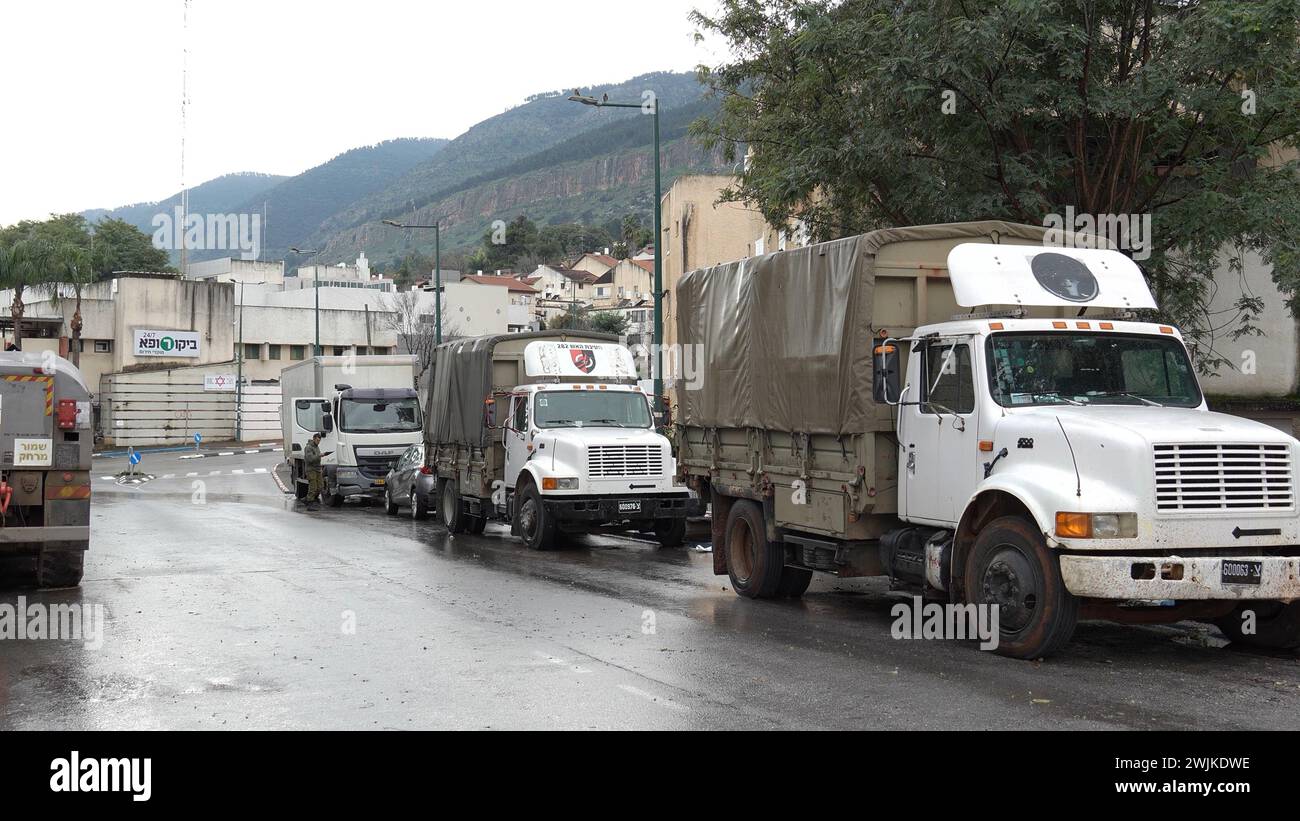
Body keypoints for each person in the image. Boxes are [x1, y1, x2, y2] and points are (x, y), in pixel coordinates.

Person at [303, 432, 323, 509]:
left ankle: (307, 499)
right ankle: (310, 504)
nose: (318, 442)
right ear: (314, 439)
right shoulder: (309, 447)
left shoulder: (316, 447)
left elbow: (316, 457)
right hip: (311, 470)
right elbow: (310, 459)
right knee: (313, 487)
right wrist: (319, 455)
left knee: (320, 486)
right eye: (317, 440)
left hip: (317, 469)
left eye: (319, 441)